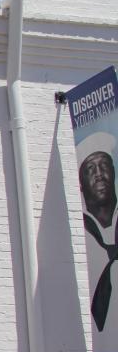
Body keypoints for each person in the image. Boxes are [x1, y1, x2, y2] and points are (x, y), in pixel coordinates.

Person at [78, 133, 118, 332]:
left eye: (104, 166)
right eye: (90, 169)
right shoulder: (82, 234)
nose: (99, 174)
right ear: (81, 186)